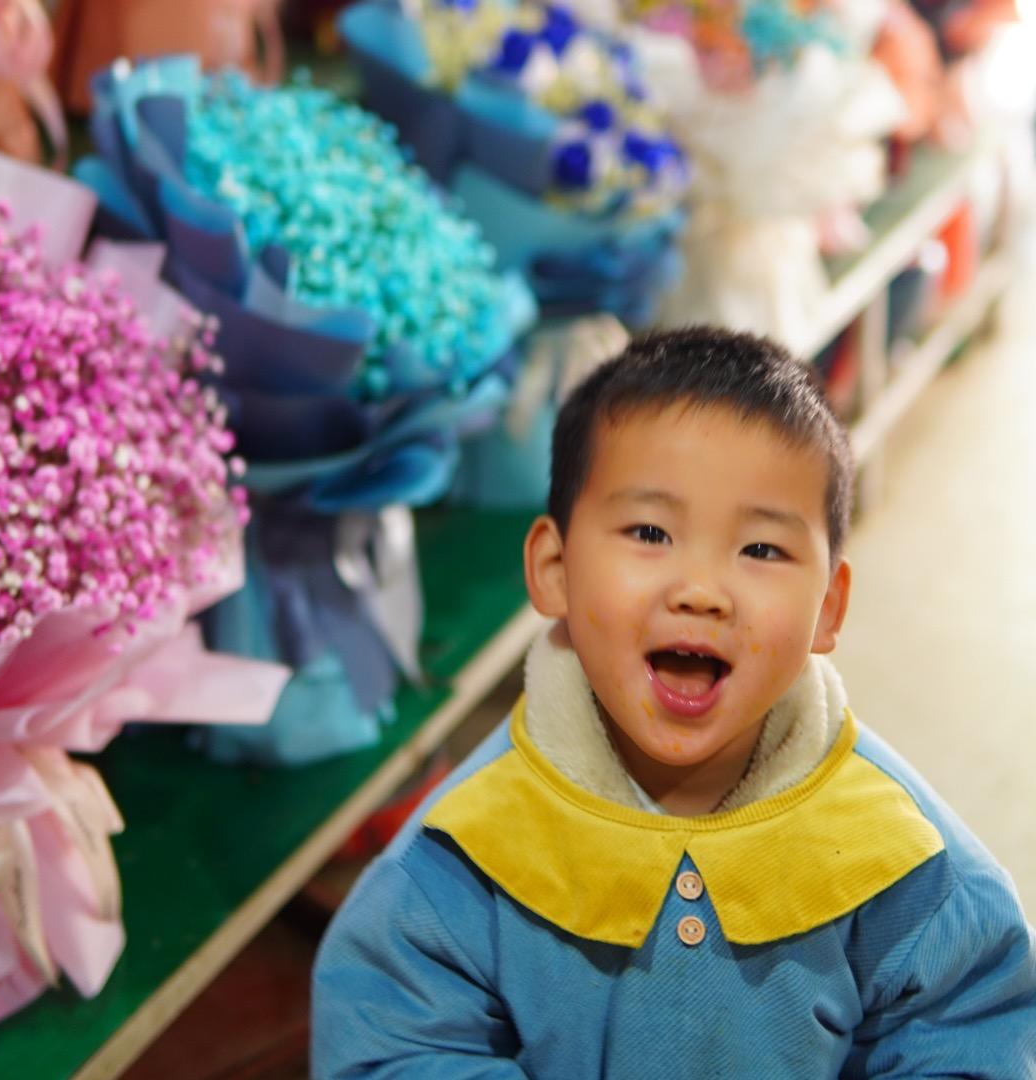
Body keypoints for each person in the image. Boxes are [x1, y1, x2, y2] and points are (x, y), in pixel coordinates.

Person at [311, 326, 1036, 1076]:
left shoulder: (898, 853)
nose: (699, 591)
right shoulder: (467, 850)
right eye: (651, 531)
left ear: (828, 606)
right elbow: (393, 1047)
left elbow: (969, 1030)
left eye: (762, 549)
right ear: (555, 568)